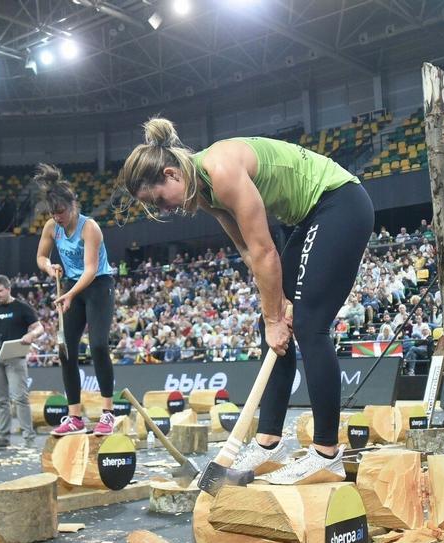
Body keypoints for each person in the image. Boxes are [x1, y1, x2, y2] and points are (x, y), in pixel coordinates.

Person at [118, 117, 374, 484]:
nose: (164, 210)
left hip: (340, 202)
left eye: (159, 200)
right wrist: (272, 312)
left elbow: (266, 251)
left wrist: (276, 318)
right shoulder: (203, 192)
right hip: (309, 218)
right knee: (267, 324)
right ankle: (269, 443)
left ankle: (326, 453)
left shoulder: (220, 170)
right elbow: (248, 251)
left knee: (308, 325)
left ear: (171, 174)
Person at [35, 163, 119, 436]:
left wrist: (69, 294)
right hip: (72, 285)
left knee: (98, 345)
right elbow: (41, 257)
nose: (57, 217)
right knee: (65, 350)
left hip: (98, 285)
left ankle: (108, 413)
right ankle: (74, 417)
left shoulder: (89, 227)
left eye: (61, 212)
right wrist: (50, 268)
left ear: (73, 205)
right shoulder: (52, 227)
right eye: (53, 213)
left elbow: (91, 269)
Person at [0, 274, 43, 450]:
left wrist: (32, 334)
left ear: (8, 289)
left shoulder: (21, 307)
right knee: (1, 400)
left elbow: (39, 327)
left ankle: (28, 437)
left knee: (20, 398)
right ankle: (3, 436)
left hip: (15, 358)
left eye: (0, 291)